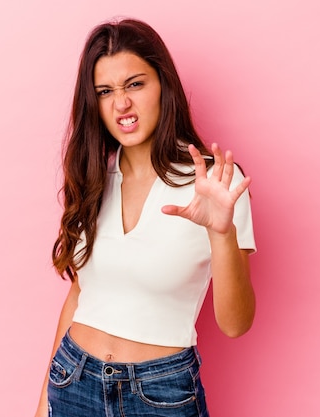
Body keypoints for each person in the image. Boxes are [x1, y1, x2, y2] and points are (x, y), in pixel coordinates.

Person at [35, 17, 256, 417]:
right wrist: (42, 405)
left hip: (160, 393)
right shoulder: (94, 177)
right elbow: (80, 294)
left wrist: (221, 233)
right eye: (106, 91)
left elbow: (235, 324)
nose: (122, 103)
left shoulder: (216, 182)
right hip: (72, 381)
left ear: (163, 85)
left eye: (135, 84)